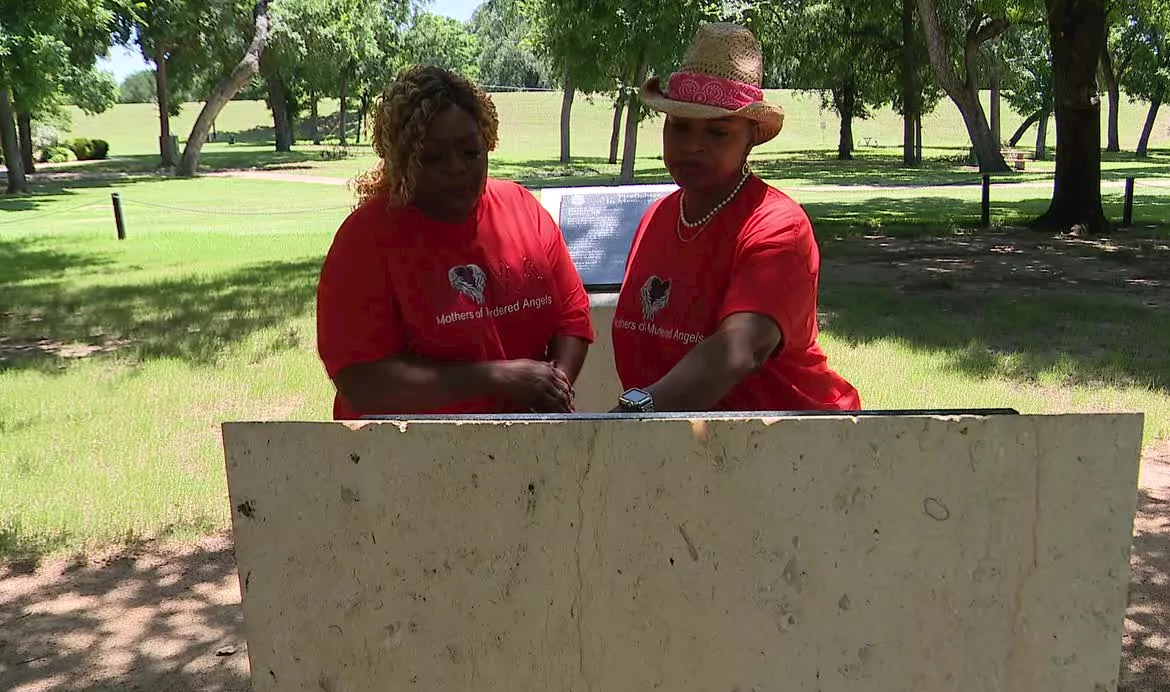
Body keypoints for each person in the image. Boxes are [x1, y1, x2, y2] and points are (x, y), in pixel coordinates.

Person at [316, 65, 594, 420]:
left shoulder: (522, 207)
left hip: (528, 440)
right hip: (407, 454)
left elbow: (572, 317)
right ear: (402, 160)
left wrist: (551, 390)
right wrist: (498, 378)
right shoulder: (365, 240)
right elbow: (363, 380)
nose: (457, 169)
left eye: (471, 153)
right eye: (432, 158)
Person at [609, 22, 861, 414]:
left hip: (794, 448)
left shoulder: (777, 226)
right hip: (683, 448)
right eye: (679, 125)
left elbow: (743, 349)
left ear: (751, 137)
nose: (692, 145)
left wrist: (635, 413)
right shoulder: (656, 219)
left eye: (718, 132)